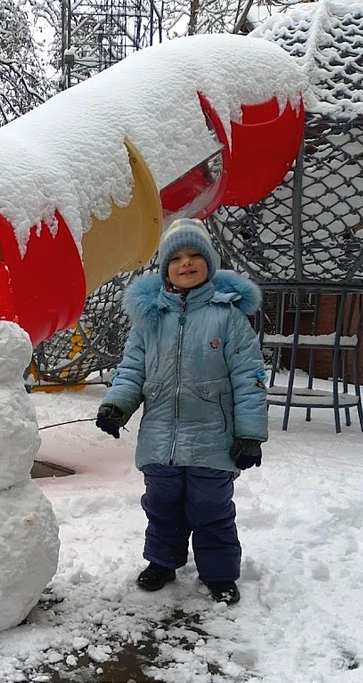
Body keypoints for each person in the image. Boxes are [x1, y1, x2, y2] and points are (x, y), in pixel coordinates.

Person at [95, 217, 268, 605]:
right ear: (164, 269)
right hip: (160, 436)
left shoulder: (228, 317)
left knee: (210, 507)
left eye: (195, 255)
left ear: (209, 262)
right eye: (176, 258)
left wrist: (250, 433)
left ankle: (219, 573)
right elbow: (132, 369)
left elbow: (249, 377)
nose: (186, 263)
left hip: (212, 437)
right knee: (161, 504)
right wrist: (117, 405)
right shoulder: (149, 321)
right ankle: (162, 561)